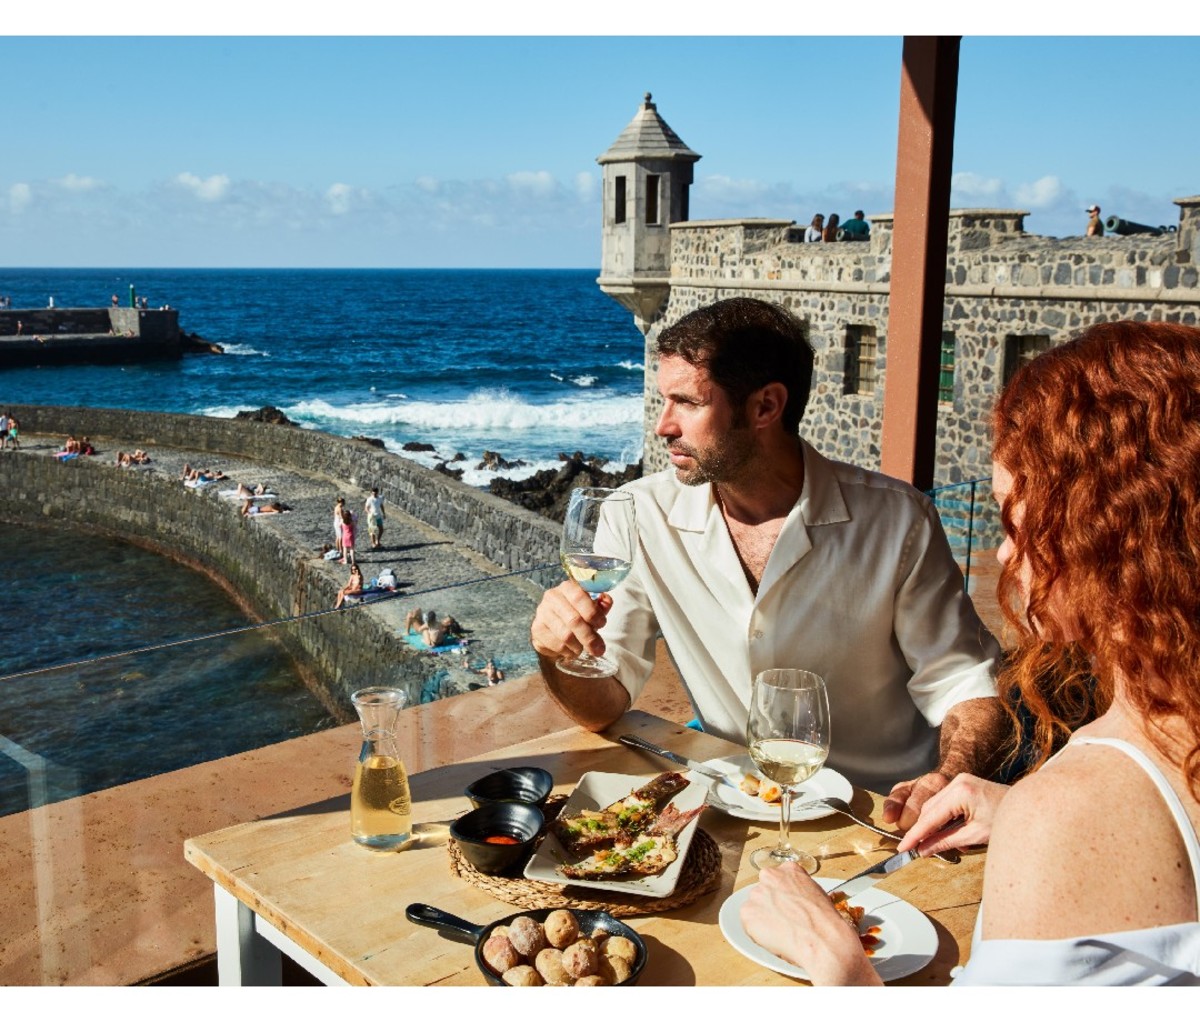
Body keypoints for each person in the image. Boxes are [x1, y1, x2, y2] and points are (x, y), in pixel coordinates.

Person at [741, 320, 1200, 986]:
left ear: (1107, 531)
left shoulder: (1072, 808)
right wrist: (1015, 809)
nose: (1005, 554)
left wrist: (829, 953)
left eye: (1016, 517)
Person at [530, 296, 1003, 821]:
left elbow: (966, 682)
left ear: (764, 407)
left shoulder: (899, 521)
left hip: (880, 810)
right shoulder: (636, 513)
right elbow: (603, 704)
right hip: (735, 804)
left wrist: (947, 775)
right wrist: (557, 653)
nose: (664, 425)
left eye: (687, 402)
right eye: (664, 400)